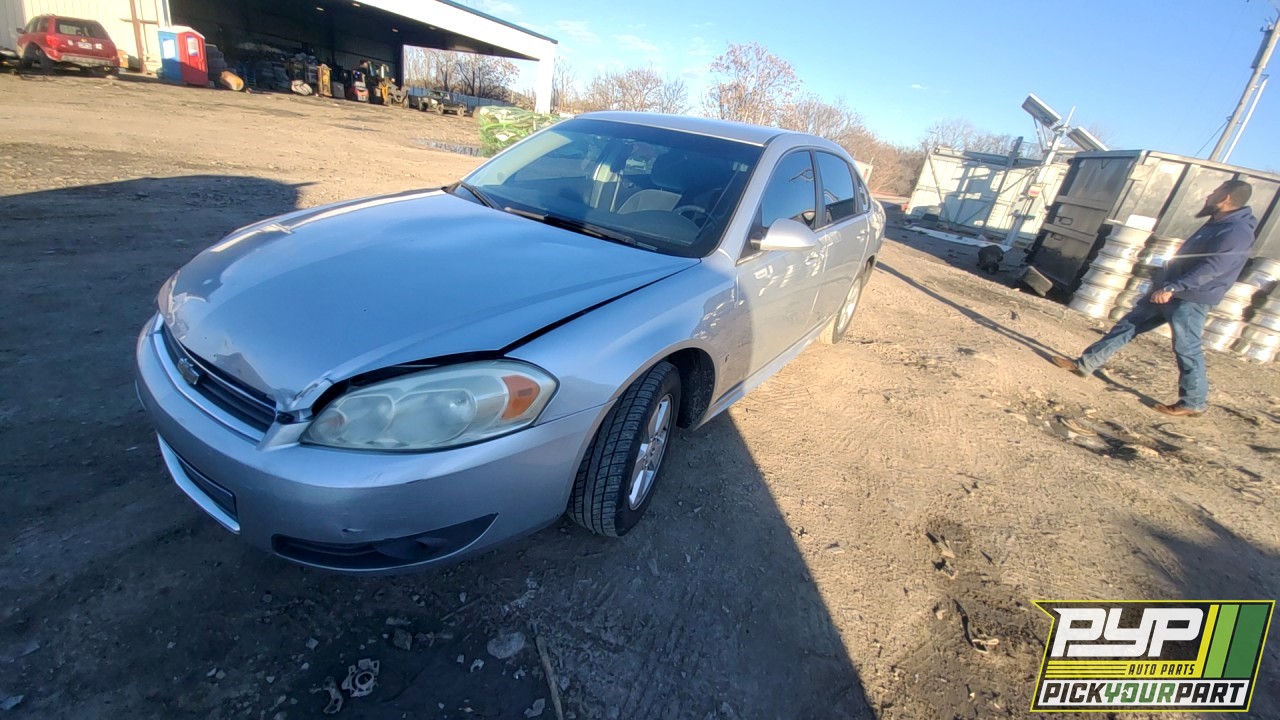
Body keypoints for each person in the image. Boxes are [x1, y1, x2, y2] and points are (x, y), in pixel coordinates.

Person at [1049, 180, 1257, 417]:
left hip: (1189, 298)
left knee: (1186, 347)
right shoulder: (1217, 223)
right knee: (1127, 326)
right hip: (1168, 291)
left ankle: (1193, 401)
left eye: (1215, 191)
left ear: (1226, 197)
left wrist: (1176, 286)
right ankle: (1085, 364)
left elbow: (1215, 266)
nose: (1208, 195)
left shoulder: (1236, 231)